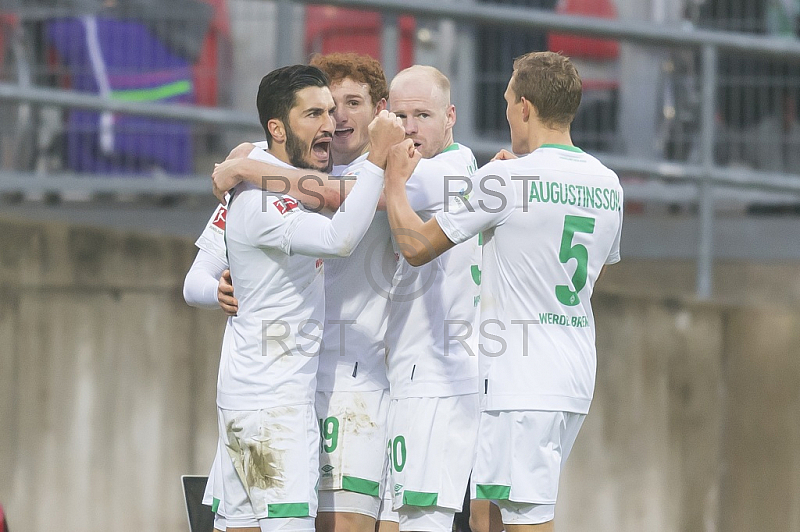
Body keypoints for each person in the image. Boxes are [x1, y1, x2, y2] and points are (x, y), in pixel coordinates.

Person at [381, 51, 623, 532]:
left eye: (509, 100)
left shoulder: (507, 180)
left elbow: (414, 245)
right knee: (485, 515)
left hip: (522, 378)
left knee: (525, 521)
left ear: (525, 107)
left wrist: (393, 183)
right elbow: (591, 262)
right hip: (573, 369)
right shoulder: (607, 183)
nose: (507, 110)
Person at [186, 64, 404, 532]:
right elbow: (340, 238)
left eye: (331, 112)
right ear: (278, 128)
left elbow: (327, 195)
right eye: (314, 114)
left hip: (243, 408)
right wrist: (379, 160)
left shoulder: (253, 180)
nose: (329, 124)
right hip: (277, 413)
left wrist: (221, 289)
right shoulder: (266, 200)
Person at [380, 65, 481, 532]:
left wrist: (255, 168)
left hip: (436, 378)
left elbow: (344, 196)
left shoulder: (450, 170)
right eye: (399, 115)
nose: (409, 127)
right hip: (413, 371)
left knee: (423, 518)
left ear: (450, 117)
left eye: (422, 114)